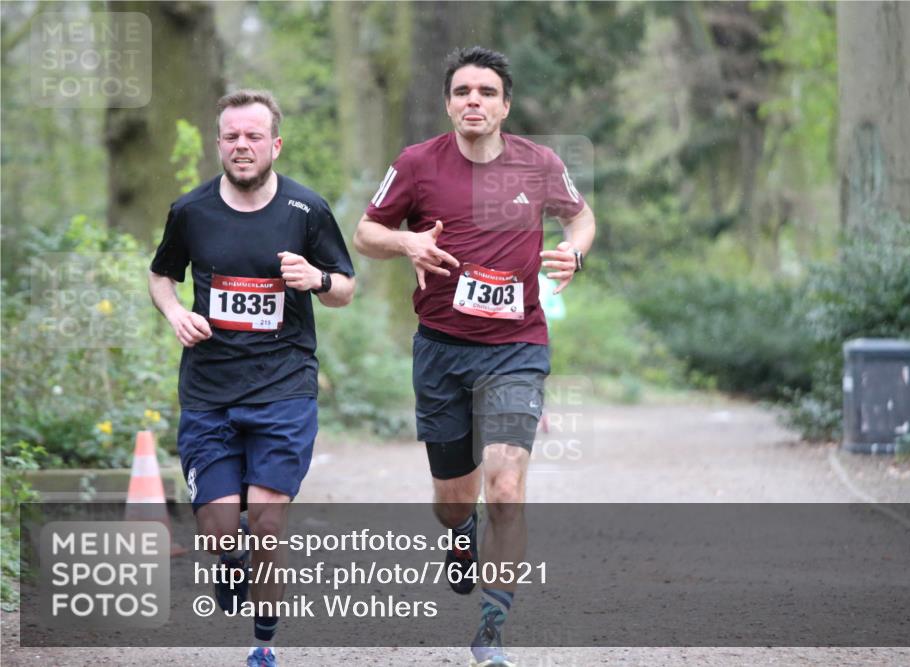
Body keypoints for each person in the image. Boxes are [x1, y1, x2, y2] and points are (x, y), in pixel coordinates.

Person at [353, 46, 595, 667]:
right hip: (440, 348)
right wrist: (405, 239)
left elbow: (582, 217)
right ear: (448, 103)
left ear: (504, 105)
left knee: (507, 485)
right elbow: (365, 233)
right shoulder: (416, 164)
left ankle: (492, 625)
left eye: (486, 92)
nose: (474, 102)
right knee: (451, 500)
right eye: (463, 91)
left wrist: (574, 251)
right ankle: (460, 536)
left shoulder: (539, 163)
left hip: (517, 347)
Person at [148, 89, 355, 667]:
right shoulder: (190, 212)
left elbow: (346, 288)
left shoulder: (307, 211)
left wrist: (315, 278)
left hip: (283, 386)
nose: (242, 146)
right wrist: (175, 313)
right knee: (218, 533)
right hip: (210, 390)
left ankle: (263, 642)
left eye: (254, 136)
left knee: (267, 513)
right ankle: (231, 557)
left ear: (275, 144)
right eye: (232, 136)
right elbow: (161, 277)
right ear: (219, 144)